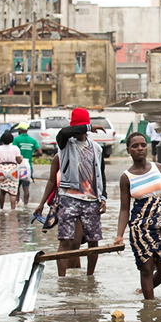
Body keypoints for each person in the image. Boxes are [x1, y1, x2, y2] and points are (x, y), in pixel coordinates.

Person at [114, 132, 161, 299]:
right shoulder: (126, 177)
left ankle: (143, 292)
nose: (140, 148)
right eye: (135, 146)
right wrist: (119, 235)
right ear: (128, 150)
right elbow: (124, 209)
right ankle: (149, 310)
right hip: (140, 228)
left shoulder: (158, 168)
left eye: (143, 144)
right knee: (146, 269)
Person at [54, 108, 108, 277]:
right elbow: (64, 131)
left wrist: (103, 197)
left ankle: (90, 278)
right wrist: (89, 127)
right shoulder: (64, 143)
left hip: (92, 199)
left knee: (93, 241)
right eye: (79, 127)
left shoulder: (96, 148)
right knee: (66, 241)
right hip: (69, 198)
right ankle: (62, 280)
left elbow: (101, 174)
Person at [13, 122, 42, 205]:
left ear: (21, 130)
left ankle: (17, 203)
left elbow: (14, 151)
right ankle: (26, 205)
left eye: (18, 129)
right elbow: (40, 152)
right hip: (28, 166)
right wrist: (32, 155)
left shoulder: (16, 139)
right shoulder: (32, 140)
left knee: (17, 187)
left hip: (18, 166)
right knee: (26, 188)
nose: (18, 131)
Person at [0, 131, 23, 210]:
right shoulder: (15, 148)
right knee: (13, 192)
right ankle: (13, 209)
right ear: (12, 139)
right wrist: (21, 158)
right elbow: (19, 161)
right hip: (12, 170)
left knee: (2, 191)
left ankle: (1, 208)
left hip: (2, 169)